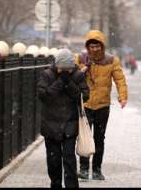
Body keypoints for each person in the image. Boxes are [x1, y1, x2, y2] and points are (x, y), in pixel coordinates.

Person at [74, 30, 128, 180]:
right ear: (87, 46)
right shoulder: (80, 59)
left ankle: (97, 170)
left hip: (103, 105)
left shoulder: (111, 60)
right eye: (91, 46)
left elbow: (120, 79)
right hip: (85, 104)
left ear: (102, 46)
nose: (94, 49)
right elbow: (72, 76)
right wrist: (85, 67)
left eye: (97, 46)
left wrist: (122, 97)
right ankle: (83, 169)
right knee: (84, 137)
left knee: (99, 138)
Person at [37, 48, 90, 188]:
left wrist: (69, 83)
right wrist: (60, 82)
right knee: (53, 161)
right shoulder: (47, 74)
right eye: (63, 69)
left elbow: (84, 96)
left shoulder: (77, 75)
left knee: (69, 159)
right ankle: (55, 184)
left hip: (70, 125)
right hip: (50, 124)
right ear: (57, 65)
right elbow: (43, 96)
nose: (66, 71)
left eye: (69, 69)